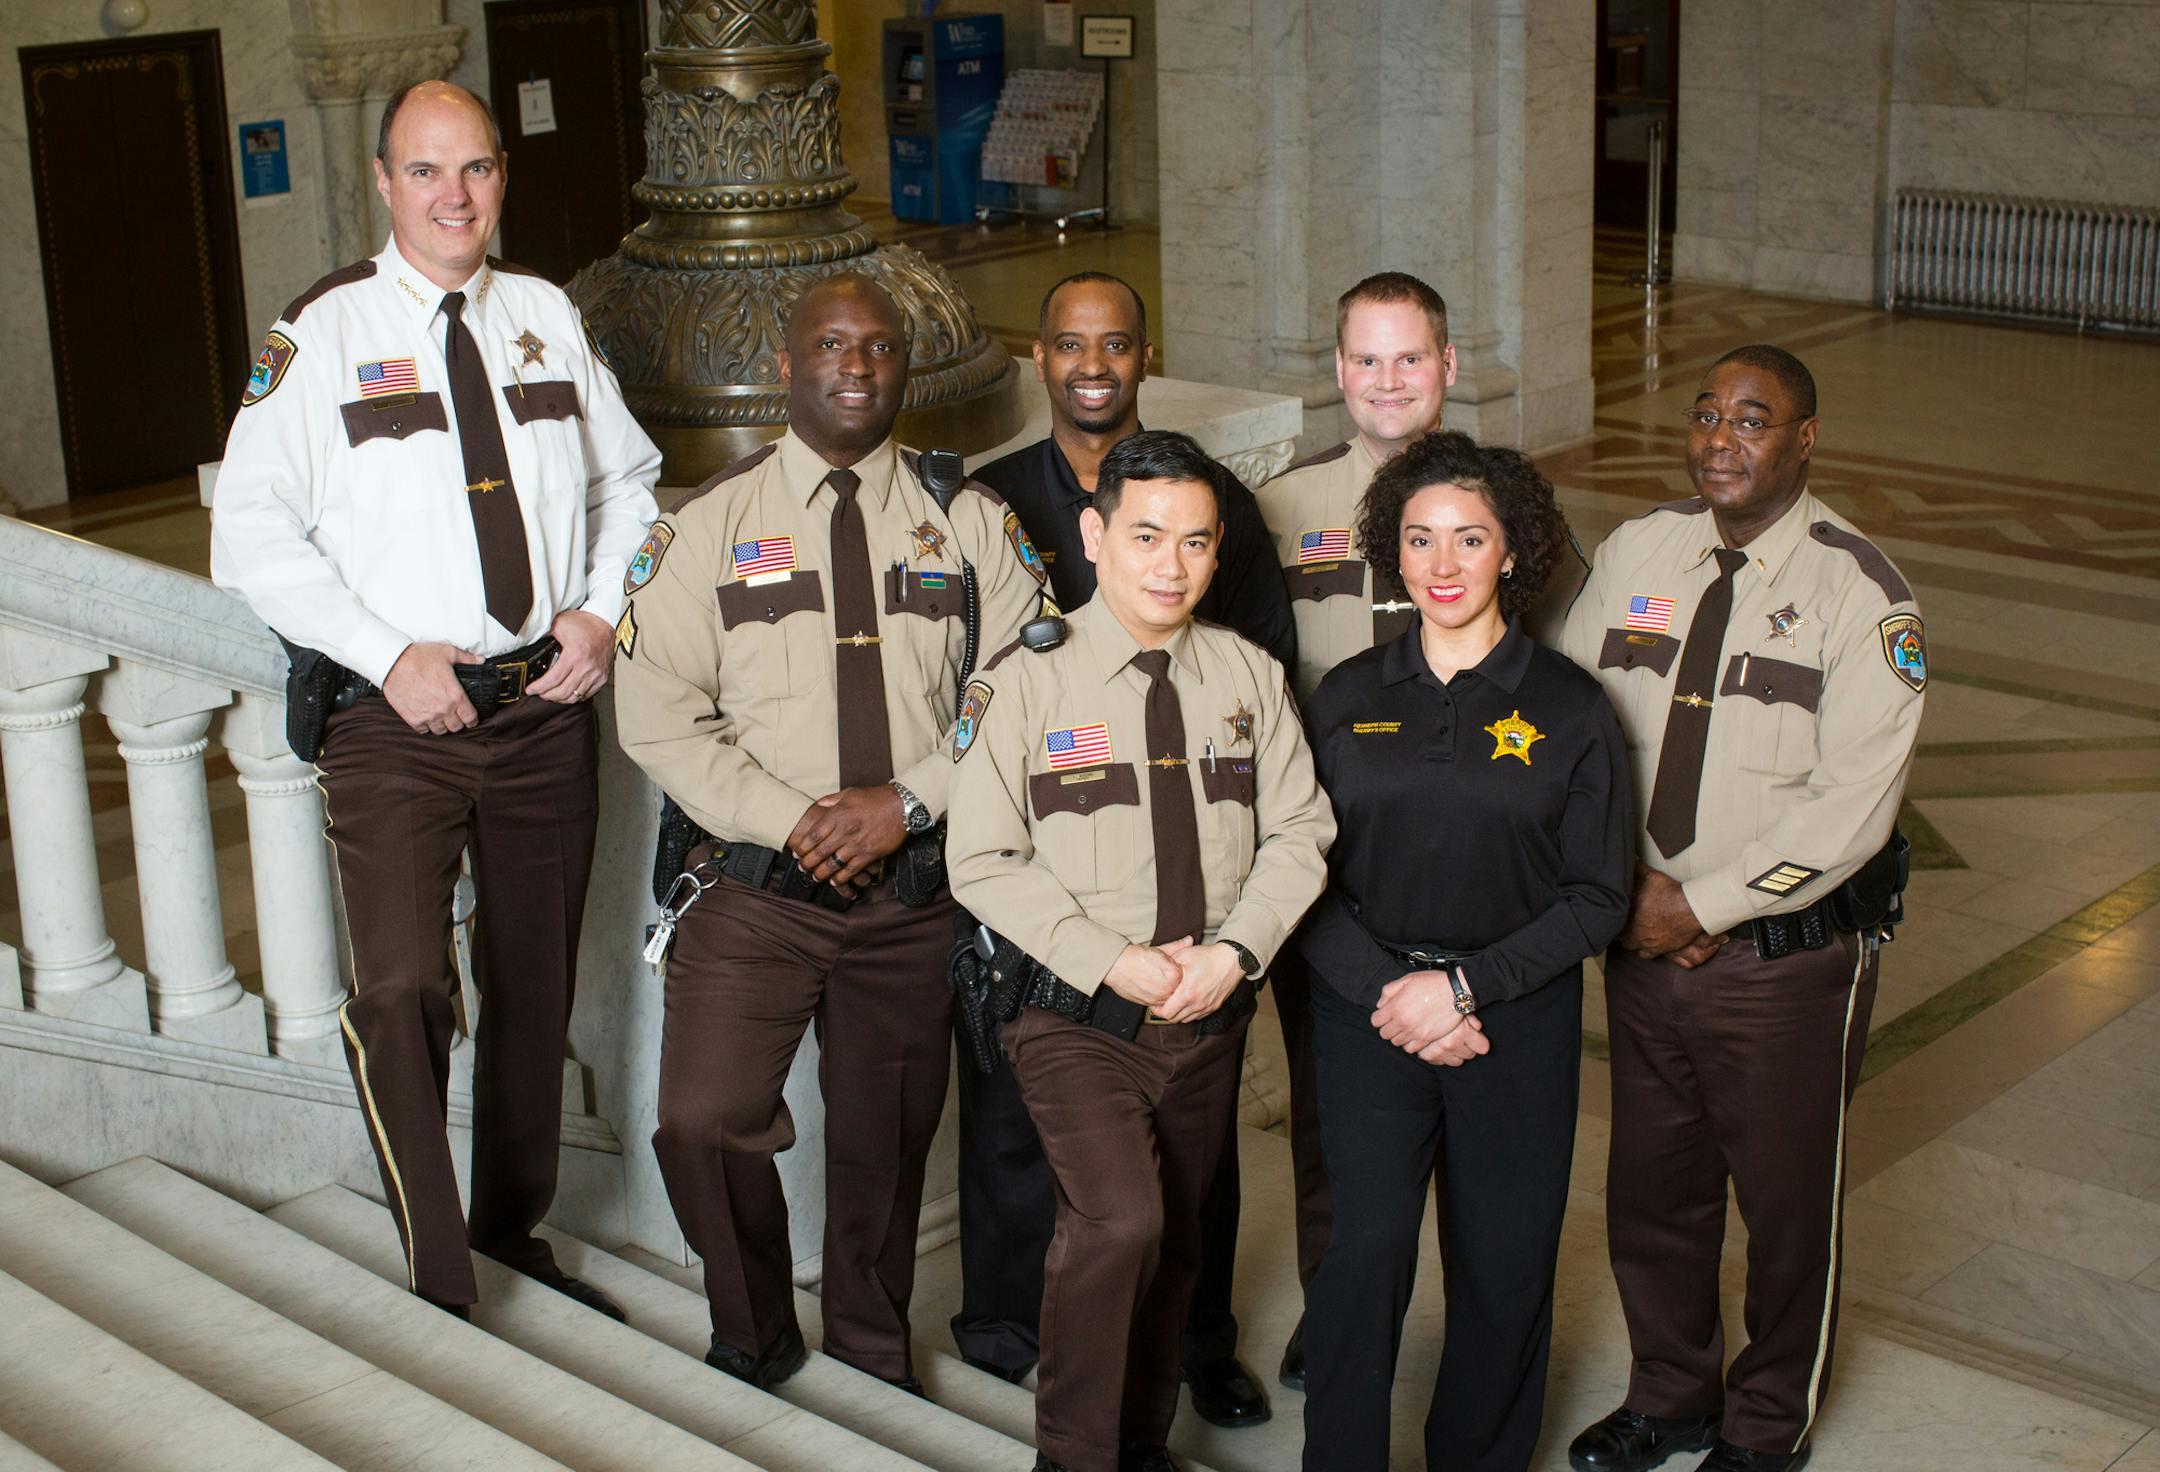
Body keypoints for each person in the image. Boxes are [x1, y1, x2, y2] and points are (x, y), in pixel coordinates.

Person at [210, 80, 661, 1319]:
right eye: (425, 170)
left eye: (475, 168)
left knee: (534, 986)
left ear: (502, 175)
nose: (453, 195)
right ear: (382, 180)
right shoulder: (321, 333)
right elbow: (247, 532)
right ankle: (441, 1268)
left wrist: (600, 613)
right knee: (402, 983)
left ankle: (511, 1230)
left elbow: (632, 484)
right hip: (391, 718)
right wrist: (383, 652)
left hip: (543, 706)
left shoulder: (545, 315)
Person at [611, 272, 1047, 1392]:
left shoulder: (969, 521)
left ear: (905, 366)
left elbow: (1027, 692)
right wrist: (795, 818)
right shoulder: (706, 527)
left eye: (880, 346)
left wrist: (909, 800)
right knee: (701, 1122)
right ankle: (755, 1326)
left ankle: (869, 1349)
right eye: (831, 344)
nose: (857, 366)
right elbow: (657, 715)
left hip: (909, 897)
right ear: (787, 363)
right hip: (755, 890)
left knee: (884, 1148)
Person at [1560, 345, 1924, 1472]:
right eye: (1707, 413)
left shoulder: (1862, 594)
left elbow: (1852, 810)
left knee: (1785, 1210)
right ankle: (1670, 1395)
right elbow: (1572, 723)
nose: (1721, 438)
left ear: (1804, 440)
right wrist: (1620, 886)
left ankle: (1767, 1428)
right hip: (1641, 944)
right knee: (1652, 1192)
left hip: (1782, 967)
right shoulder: (1639, 550)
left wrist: (1704, 906)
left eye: (1752, 419)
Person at [948, 429, 1335, 1472]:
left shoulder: (1248, 676)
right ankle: (1073, 1457)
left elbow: (1302, 830)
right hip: (1073, 1016)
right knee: (1119, 1220)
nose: (1172, 564)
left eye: (1196, 542)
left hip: (1206, 1016)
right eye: (1147, 535)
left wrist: (1238, 953)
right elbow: (980, 859)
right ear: (1095, 535)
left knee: (1177, 1240)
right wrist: (1109, 959)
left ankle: (1140, 1443)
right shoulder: (1021, 684)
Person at [1298, 430, 1631, 1470]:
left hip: (1515, 1018)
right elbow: (1295, 876)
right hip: (1369, 1013)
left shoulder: (1572, 706)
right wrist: (1395, 992)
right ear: (1391, 552)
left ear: (1512, 550)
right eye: (1420, 539)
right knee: (1364, 1250)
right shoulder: (1347, 696)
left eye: (1470, 538)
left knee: (1504, 1262)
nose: (1443, 565)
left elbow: (1599, 895)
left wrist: (1464, 987)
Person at [1253, 269, 1457, 1388]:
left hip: (1465, 856)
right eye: (1367, 359)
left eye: (1409, 357)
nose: (1388, 381)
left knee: (1469, 1102)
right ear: (1338, 371)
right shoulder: (1280, 508)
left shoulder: (1502, 504)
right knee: (1331, 1103)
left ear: (1447, 367)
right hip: (1323, 856)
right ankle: (1337, 1311)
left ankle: (1472, 1326)